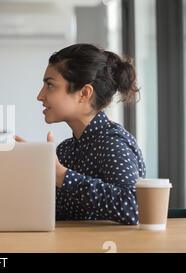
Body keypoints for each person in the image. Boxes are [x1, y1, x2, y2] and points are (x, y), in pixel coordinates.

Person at [15, 43, 146, 225]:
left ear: (84, 93)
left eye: (50, 85)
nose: (40, 95)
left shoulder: (112, 142)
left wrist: (61, 174)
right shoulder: (66, 150)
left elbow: (134, 208)